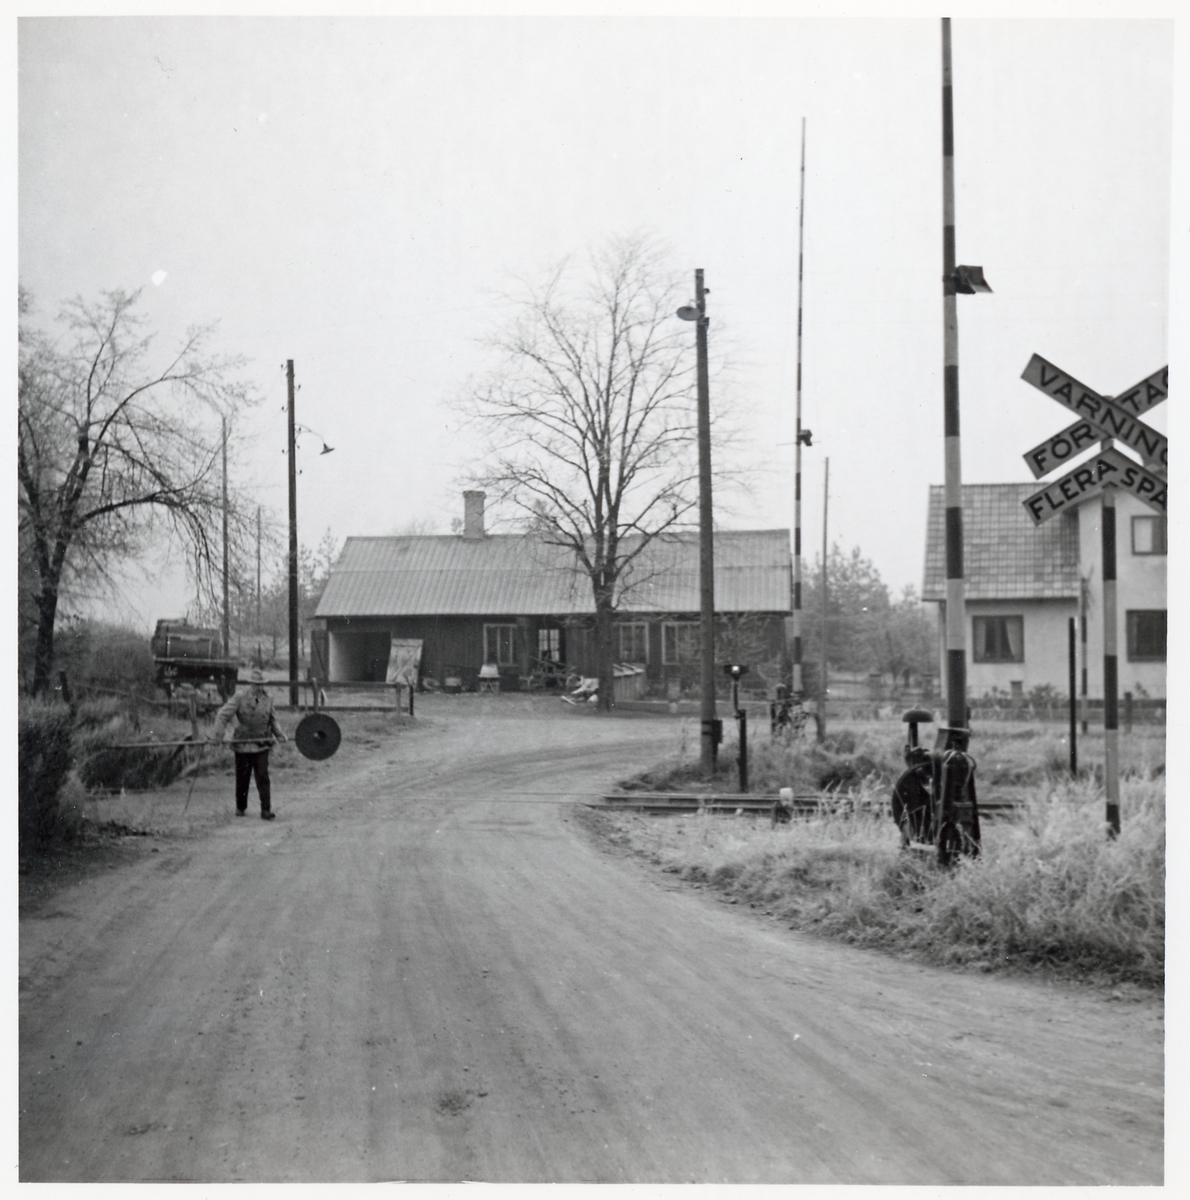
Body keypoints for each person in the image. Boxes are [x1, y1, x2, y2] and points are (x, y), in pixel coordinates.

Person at [210, 669, 288, 819]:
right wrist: (218, 736)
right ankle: (241, 807)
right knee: (243, 777)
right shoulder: (240, 697)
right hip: (242, 743)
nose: (259, 687)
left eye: (261, 684)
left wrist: (279, 735)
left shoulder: (269, 698)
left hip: (262, 743)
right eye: (256, 684)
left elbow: (272, 720)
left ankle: (266, 810)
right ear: (251, 684)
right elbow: (222, 715)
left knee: (263, 776)